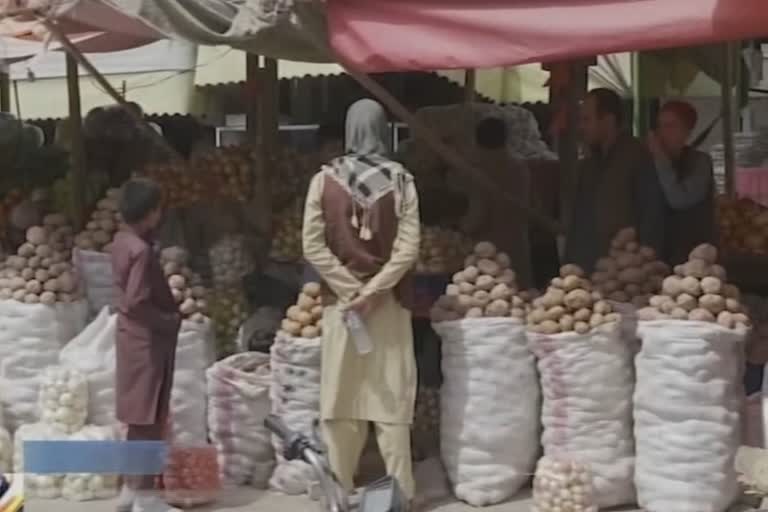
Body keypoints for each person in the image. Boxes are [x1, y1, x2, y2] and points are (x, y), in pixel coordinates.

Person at [302, 99, 420, 503]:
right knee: (391, 397)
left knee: (342, 396)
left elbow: (312, 246)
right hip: (386, 306)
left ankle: (339, 489)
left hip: (342, 308)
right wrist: (374, 292)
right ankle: (401, 493)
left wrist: (350, 290)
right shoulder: (402, 180)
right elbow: (408, 250)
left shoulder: (324, 180)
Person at [111, 179, 181, 512]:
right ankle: (145, 497)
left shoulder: (122, 241)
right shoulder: (139, 251)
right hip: (148, 342)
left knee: (138, 418)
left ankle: (130, 490)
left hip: (131, 340)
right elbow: (137, 300)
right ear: (150, 212)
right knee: (149, 419)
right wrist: (168, 321)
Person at [565, 88, 666, 273]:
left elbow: (652, 215)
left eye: (587, 120)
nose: (581, 127)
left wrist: (643, 263)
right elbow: (579, 223)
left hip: (624, 272)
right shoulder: (588, 165)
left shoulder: (637, 157)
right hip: (586, 270)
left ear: (608, 121)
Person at [460, 116, 533, 287]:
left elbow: (477, 217)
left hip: (491, 256)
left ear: (477, 142)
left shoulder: (481, 171)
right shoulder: (520, 167)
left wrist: (462, 228)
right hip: (519, 247)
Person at [648, 100, 716, 265]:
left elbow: (679, 199)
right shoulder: (648, 164)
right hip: (656, 257)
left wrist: (660, 158)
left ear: (687, 132)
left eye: (671, 126)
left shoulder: (700, 162)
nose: (663, 133)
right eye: (660, 126)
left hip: (695, 258)